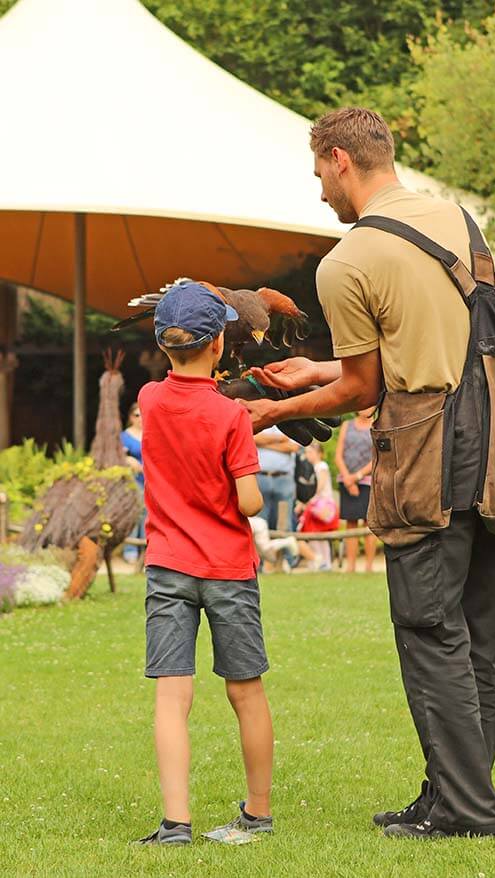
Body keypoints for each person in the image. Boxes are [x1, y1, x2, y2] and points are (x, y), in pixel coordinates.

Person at [242, 108, 495, 841]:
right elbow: (431, 341)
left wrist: (265, 416)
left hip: (433, 456)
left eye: (318, 176)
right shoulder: (459, 222)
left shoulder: (348, 260)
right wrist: (319, 368)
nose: (319, 195)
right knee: (474, 639)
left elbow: (360, 390)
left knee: (429, 630)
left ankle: (465, 812)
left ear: (340, 160)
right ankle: (447, 796)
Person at [134, 279, 273, 847]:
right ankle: (257, 813)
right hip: (228, 570)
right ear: (220, 345)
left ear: (165, 345)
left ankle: (175, 825)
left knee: (173, 695)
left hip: (168, 566)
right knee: (246, 691)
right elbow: (249, 501)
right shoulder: (231, 417)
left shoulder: (147, 399)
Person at [335, 410, 377, 573]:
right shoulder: (347, 425)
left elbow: (377, 457)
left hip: (368, 481)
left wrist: (357, 476)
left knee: (369, 523)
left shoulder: (377, 425)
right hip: (346, 481)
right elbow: (339, 455)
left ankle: (369, 566)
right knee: (351, 523)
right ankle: (350, 566)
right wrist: (348, 478)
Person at [297, 442, 339, 571]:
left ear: (319, 453)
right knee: (314, 533)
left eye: (311, 452)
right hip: (315, 505)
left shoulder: (321, 467)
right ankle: (320, 561)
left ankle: (323, 561)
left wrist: (306, 501)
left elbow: (319, 487)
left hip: (321, 505)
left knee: (320, 533)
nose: (308, 455)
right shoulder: (311, 468)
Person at [254, 426, 299, 531]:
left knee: (284, 526)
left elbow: (293, 447)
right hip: (260, 478)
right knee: (259, 524)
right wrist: (280, 439)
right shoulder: (259, 417)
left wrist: (264, 444)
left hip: (283, 480)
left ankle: (282, 547)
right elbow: (252, 439)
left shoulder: (291, 421)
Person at [120, 402, 145, 563]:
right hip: (133, 481)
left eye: (143, 414)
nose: (140, 418)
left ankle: (145, 551)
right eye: (137, 415)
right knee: (135, 513)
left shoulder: (152, 433)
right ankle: (130, 550)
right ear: (131, 417)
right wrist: (128, 459)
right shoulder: (125, 436)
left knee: (148, 515)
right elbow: (116, 457)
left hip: (151, 480)